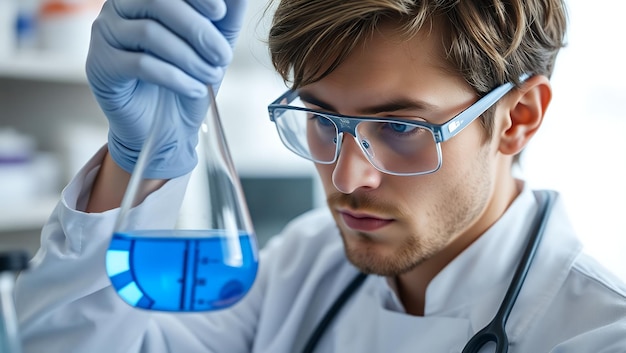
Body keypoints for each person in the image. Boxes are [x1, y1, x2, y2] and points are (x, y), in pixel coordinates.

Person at [14, 0, 626, 352]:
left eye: (403, 128)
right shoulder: (305, 263)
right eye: (322, 119)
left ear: (518, 117)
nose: (347, 175)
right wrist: (137, 157)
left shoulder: (599, 333)